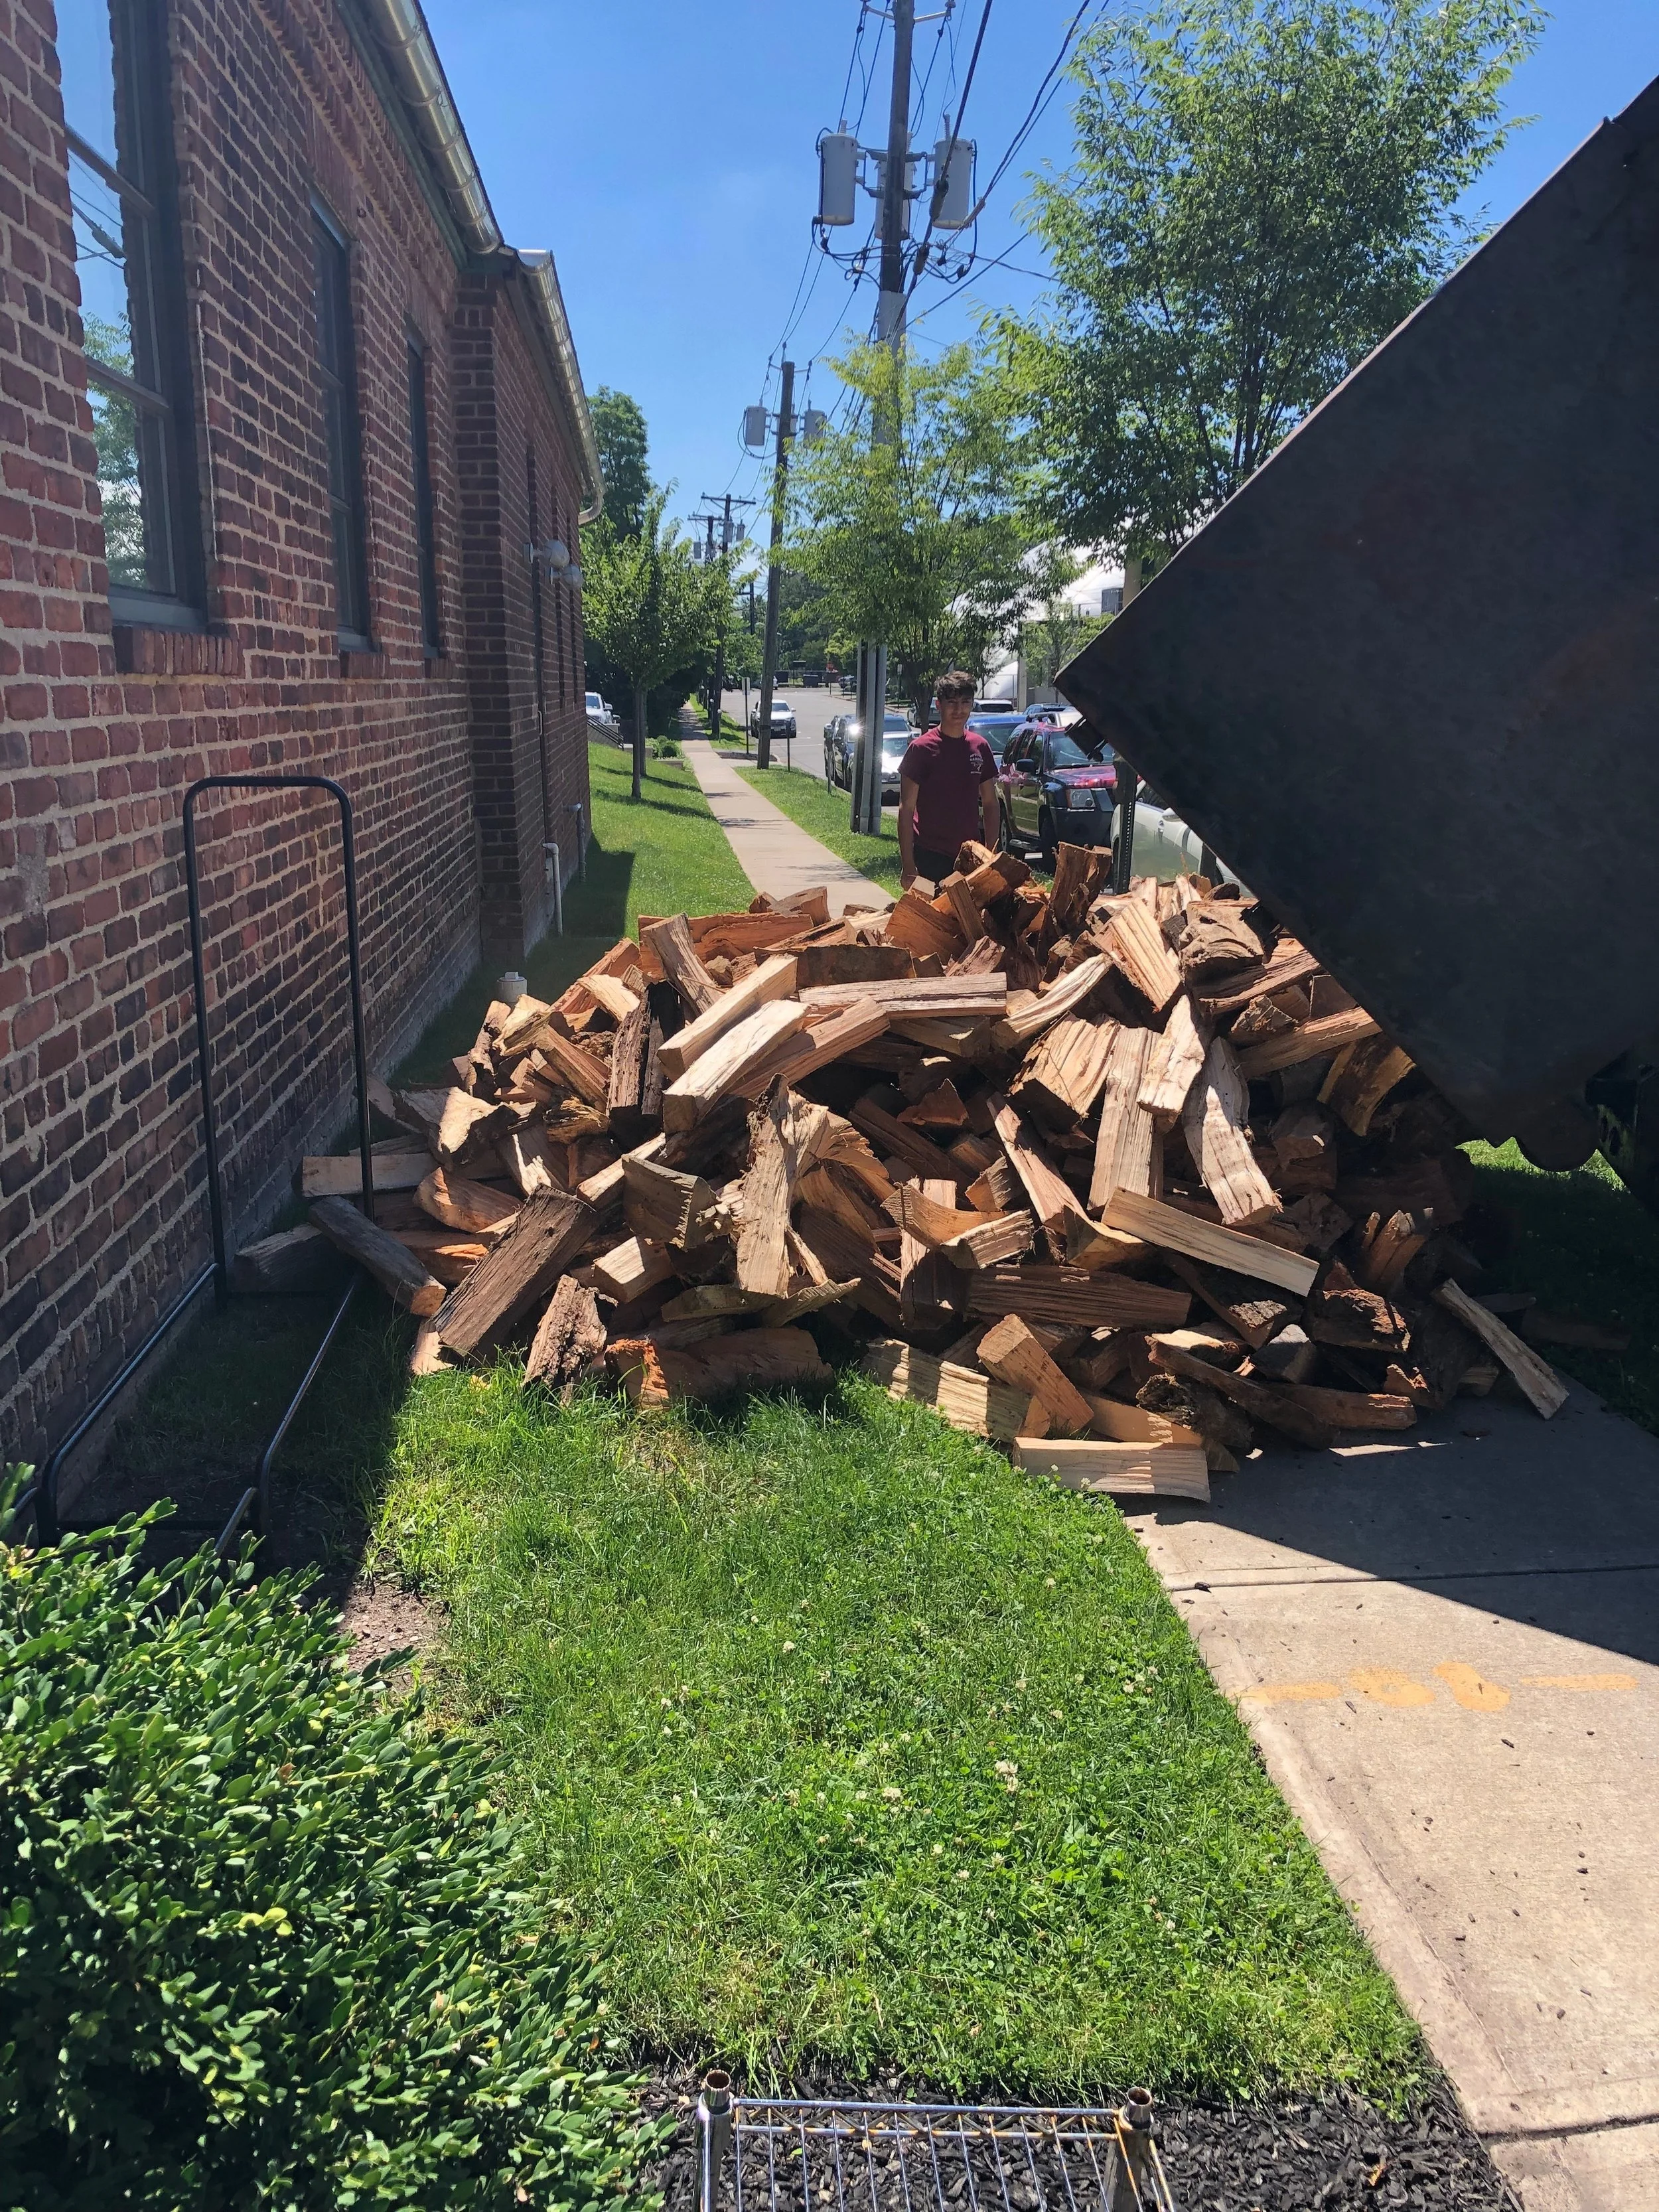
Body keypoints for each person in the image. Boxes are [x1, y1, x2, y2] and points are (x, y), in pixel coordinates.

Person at [897, 670, 1000, 890]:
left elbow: (991, 804)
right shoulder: (921, 749)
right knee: (930, 920)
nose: (959, 709)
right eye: (952, 702)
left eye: (965, 702)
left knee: (970, 921)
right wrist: (908, 865)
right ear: (938, 704)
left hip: (968, 856)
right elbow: (906, 809)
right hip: (928, 855)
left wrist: (990, 854)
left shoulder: (979, 747)